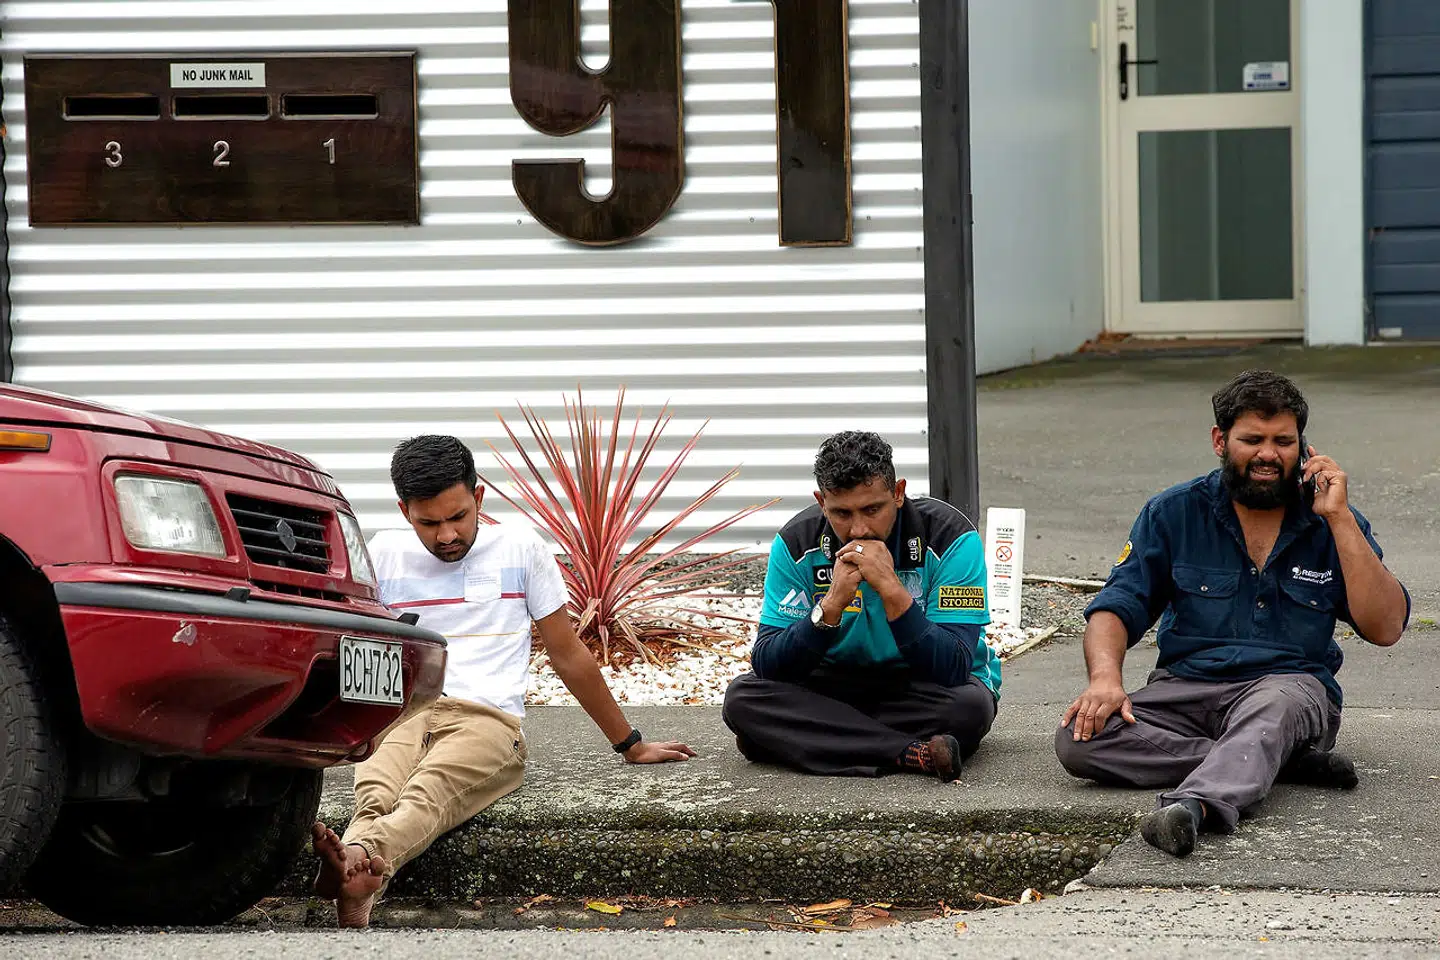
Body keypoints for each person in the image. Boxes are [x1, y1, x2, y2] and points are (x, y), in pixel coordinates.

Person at [312, 435, 694, 927]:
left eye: (458, 517)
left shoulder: (520, 547)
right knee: (377, 791)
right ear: (404, 510)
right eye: (429, 523)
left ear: (479, 497)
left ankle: (361, 853)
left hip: (486, 720)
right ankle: (360, 881)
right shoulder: (382, 553)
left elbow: (566, 651)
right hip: (402, 712)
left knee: (429, 791)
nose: (446, 535)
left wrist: (631, 744)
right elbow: (356, 646)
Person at [1055, 370, 1410, 857]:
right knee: (1079, 739)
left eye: (1284, 441)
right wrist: (1104, 681)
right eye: (1253, 439)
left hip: (1290, 688)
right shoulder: (1173, 512)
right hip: (1186, 689)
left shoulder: (1332, 519)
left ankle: (1197, 805)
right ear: (1220, 441)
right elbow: (1117, 606)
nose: (1269, 453)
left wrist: (1340, 519)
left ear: (1303, 448)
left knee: (1273, 707)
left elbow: (1386, 626)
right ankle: (1274, 762)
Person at [722, 431, 1001, 781]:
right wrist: (830, 606)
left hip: (918, 687)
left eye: (872, 509)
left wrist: (893, 592)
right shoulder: (795, 543)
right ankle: (911, 754)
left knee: (969, 709)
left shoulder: (951, 538)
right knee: (742, 699)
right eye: (841, 513)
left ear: (898, 493)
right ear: (821, 502)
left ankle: (803, 739)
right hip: (835, 684)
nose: (858, 529)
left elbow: (955, 665)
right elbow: (768, 663)